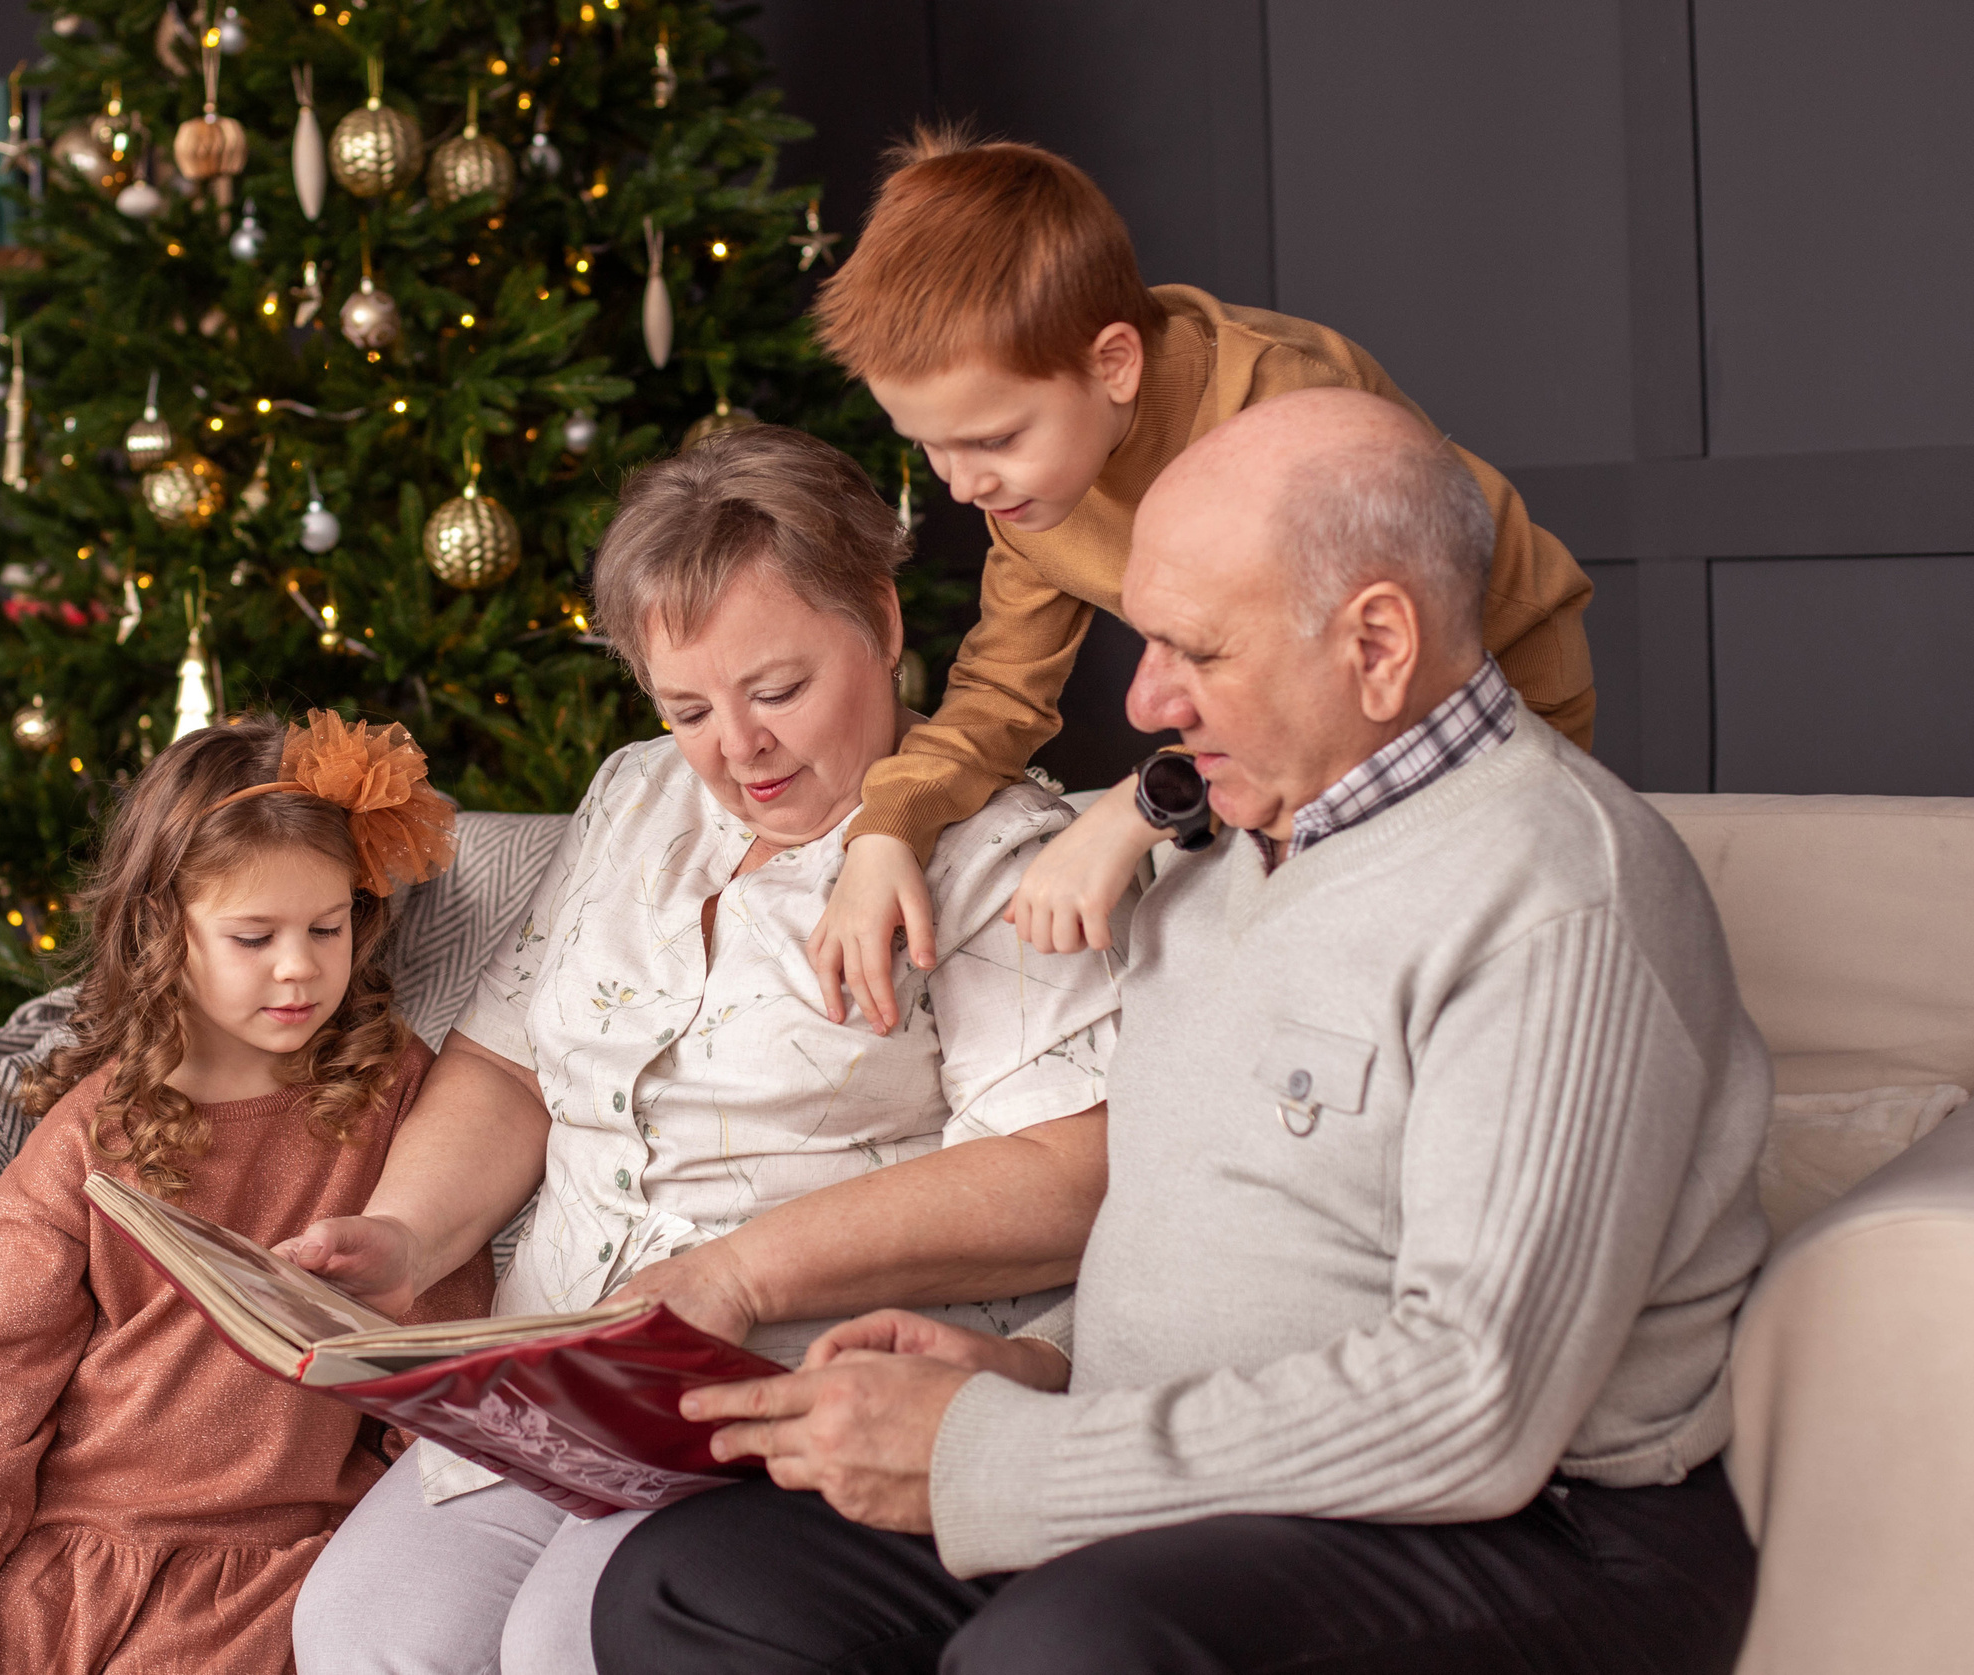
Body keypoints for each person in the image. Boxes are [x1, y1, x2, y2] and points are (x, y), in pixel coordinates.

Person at [592, 388, 1773, 1675]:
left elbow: (1473, 1409)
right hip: (1170, 1473)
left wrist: (996, 1455)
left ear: (1376, 642)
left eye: (1196, 651)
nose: (1147, 699)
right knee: (689, 1587)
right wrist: (1031, 1370)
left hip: (1536, 1531)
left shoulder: (1556, 896)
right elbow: (1207, 1248)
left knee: (1069, 1651)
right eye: (1142, 640)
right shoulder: (1216, 864)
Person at [281, 424, 1144, 1675]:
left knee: (561, 1650)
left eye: (777, 690)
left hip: (784, 1399)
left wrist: (740, 1276)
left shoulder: (998, 852)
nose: (736, 749)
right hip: (558, 1384)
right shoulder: (637, 794)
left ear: (886, 625)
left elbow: (1074, 1171)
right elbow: (512, 1064)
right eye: (688, 706)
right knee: (360, 1637)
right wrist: (407, 1237)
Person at [807, 129, 1599, 1032]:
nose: (961, 485)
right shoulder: (1033, 490)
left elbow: (1326, 696)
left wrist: (1138, 806)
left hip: (1475, 688)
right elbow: (998, 694)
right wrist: (884, 830)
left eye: (991, 439)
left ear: (1113, 364)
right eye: (927, 445)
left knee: (1412, 973)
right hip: (1274, 736)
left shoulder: (1285, 410)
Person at [0, 711, 489, 1675]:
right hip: (88, 1560)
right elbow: (1, 1368)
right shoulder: (87, 1140)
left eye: (326, 927)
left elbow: (442, 1320)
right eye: (254, 936)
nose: (300, 966)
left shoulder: (397, 1094)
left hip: (296, 1565)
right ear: (161, 931)